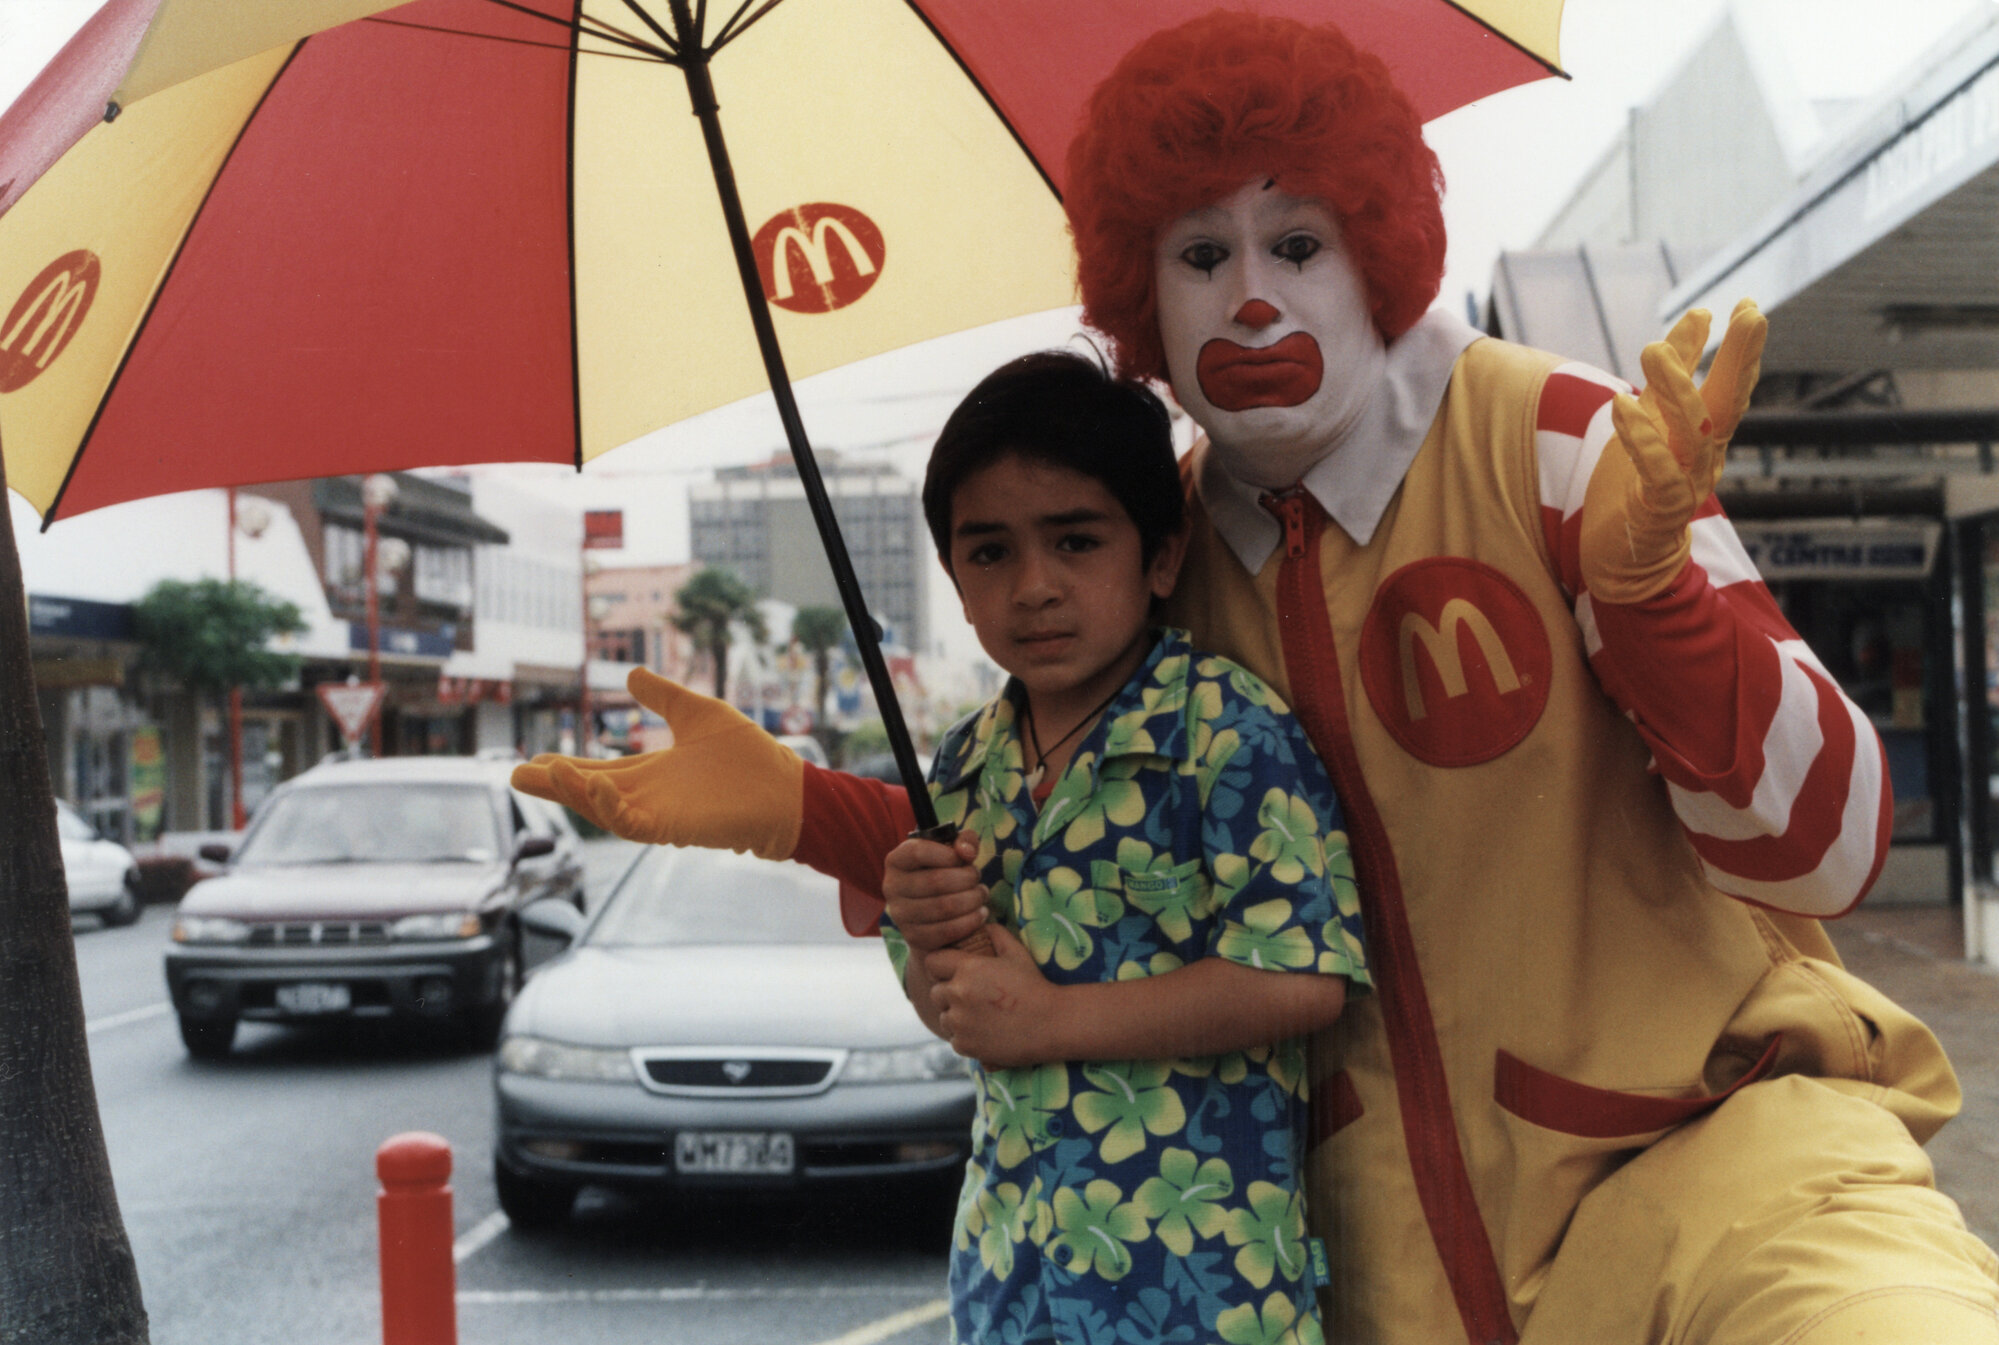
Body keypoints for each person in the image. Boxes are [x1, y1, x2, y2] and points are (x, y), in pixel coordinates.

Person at [517, 14, 1999, 1342]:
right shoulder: (1143, 559)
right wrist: (800, 809)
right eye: (1198, 256)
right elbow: (1028, 827)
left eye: (1296, 245)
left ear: (1375, 255)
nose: (1248, 301)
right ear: (1140, 301)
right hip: (1364, 1272)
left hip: (1715, 1167)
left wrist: (1653, 602)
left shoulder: (1568, 441)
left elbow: (1828, 852)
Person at [891, 349, 1367, 1343]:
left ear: (1160, 556)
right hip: (1009, 1284)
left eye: (1075, 540)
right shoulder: (960, 765)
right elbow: (954, 1007)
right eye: (989, 552)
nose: (1034, 586)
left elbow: (1300, 978)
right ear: (954, 580)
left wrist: (1053, 1020)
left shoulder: (1227, 732)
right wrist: (926, 933)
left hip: (1203, 1293)